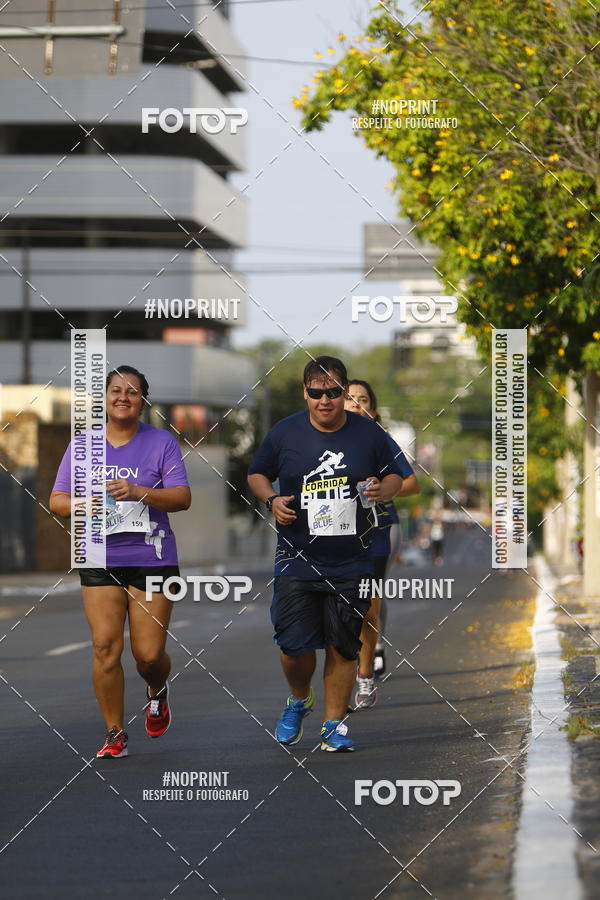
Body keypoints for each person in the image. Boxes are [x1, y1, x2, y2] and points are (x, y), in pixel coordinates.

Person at [247, 356, 405, 752]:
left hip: (354, 556)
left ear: (344, 392)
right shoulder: (285, 433)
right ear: (306, 393)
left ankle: (334, 726)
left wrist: (380, 490)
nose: (325, 400)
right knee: (293, 646)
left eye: (334, 392)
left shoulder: (368, 434)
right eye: (316, 393)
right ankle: (299, 699)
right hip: (297, 556)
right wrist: (271, 500)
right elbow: (257, 473)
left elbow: (396, 476)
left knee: (342, 644)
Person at [49, 365, 191, 758]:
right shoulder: (83, 446)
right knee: (104, 646)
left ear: (143, 400)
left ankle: (157, 690)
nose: (123, 397)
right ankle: (114, 732)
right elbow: (57, 500)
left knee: (147, 656)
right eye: (115, 390)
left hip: (153, 558)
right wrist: (83, 503)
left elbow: (181, 497)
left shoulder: (161, 443)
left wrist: (139, 491)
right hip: (99, 555)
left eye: (132, 391)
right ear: (105, 399)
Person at [344, 380, 419, 707]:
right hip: (333, 534)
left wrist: (382, 490)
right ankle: (348, 672)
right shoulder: (317, 440)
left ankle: (367, 666)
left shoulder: (380, 441)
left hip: (378, 528)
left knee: (368, 603)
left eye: (362, 400)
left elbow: (411, 483)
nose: (355, 403)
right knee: (339, 607)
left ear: (372, 411)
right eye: (349, 398)